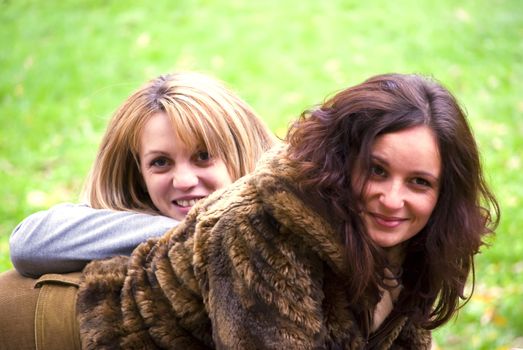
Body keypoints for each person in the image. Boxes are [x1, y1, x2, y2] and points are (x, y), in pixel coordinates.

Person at [77, 73, 499, 349]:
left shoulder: (407, 241)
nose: (392, 199)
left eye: (419, 182)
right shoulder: (260, 227)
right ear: (342, 161)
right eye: (376, 170)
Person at [0, 71, 276, 350]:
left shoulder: (286, 212)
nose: (184, 180)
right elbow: (29, 242)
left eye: (203, 157)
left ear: (241, 152)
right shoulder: (136, 220)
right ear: (139, 176)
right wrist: (193, 235)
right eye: (160, 162)